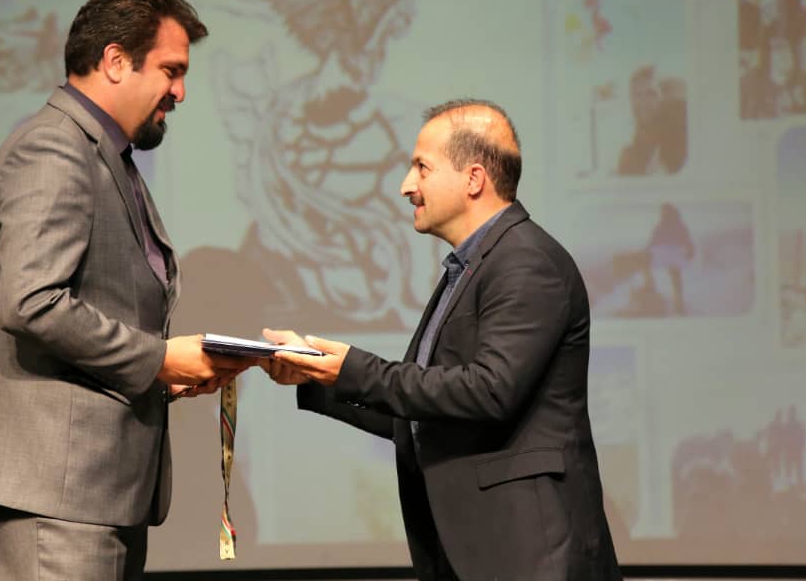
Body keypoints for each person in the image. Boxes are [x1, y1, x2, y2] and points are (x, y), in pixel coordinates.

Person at [0, 0, 254, 581]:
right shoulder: (54, 149)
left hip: (90, 492)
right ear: (115, 60)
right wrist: (158, 359)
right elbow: (32, 302)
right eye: (170, 70)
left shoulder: (103, 155)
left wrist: (165, 372)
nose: (180, 91)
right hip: (54, 492)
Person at [262, 100, 622, 581]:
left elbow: (489, 391)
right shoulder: (471, 267)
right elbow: (424, 412)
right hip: (479, 553)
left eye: (422, 168)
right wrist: (316, 374)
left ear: (474, 179)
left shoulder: (525, 262)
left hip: (531, 555)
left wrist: (353, 368)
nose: (406, 186)